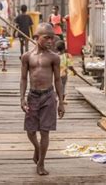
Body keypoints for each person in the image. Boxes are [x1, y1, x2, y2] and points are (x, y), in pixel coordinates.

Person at [20, 23, 65, 176]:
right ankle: (37, 148)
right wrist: (22, 98)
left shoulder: (54, 57)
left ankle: (41, 163)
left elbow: (58, 80)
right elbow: (23, 79)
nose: (50, 41)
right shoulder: (27, 56)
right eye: (46, 38)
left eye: (52, 38)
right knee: (31, 131)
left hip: (48, 96)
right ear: (37, 37)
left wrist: (61, 102)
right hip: (32, 96)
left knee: (45, 131)